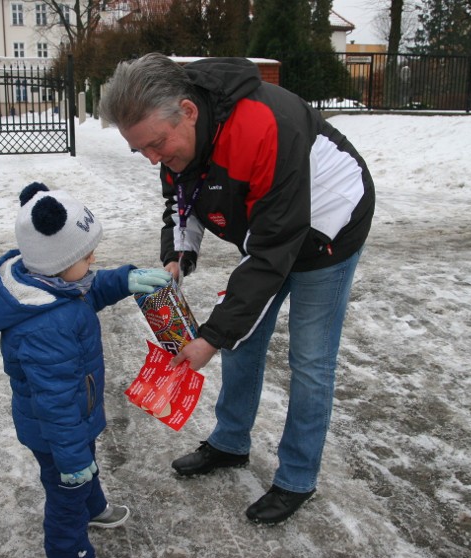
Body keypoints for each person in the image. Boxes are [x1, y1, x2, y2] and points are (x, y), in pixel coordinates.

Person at [99, 53, 375, 525]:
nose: (152, 158)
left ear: (188, 110)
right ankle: (231, 443)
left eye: (156, 145)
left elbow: (272, 257)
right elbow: (180, 199)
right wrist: (177, 256)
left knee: (309, 361)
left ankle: (297, 478)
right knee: (242, 342)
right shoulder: (177, 139)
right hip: (270, 230)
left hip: (328, 229)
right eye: (140, 149)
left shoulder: (263, 127)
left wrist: (209, 336)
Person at [0, 182, 170, 558]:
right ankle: (71, 556)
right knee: (67, 491)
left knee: (87, 460)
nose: (93, 258)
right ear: (57, 259)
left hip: (76, 417)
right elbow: (55, 402)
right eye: (86, 254)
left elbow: (89, 290)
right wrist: (69, 457)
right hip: (56, 432)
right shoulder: (46, 326)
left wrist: (124, 280)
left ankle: (93, 505)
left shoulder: (55, 285)